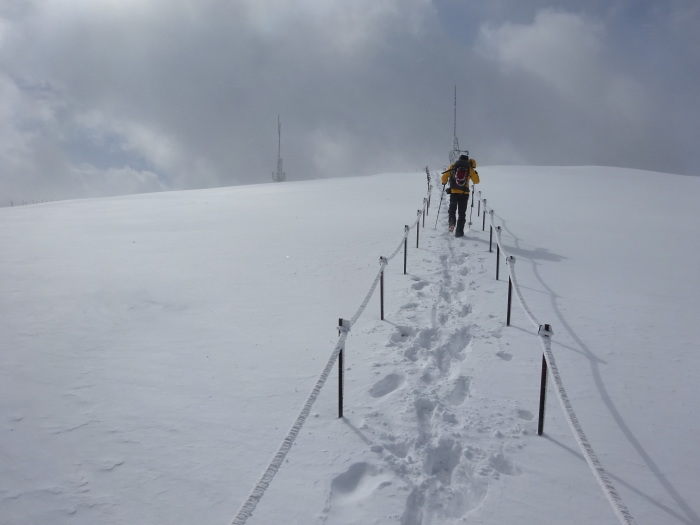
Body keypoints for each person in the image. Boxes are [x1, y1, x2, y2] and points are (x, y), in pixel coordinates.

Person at [441, 154, 480, 237]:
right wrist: (474, 170)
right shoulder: (469, 168)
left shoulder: (453, 166)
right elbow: (476, 181)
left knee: (452, 209)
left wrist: (444, 182)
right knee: (462, 213)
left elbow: (444, 177)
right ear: (468, 160)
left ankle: (452, 224)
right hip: (464, 193)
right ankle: (459, 233)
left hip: (454, 192)